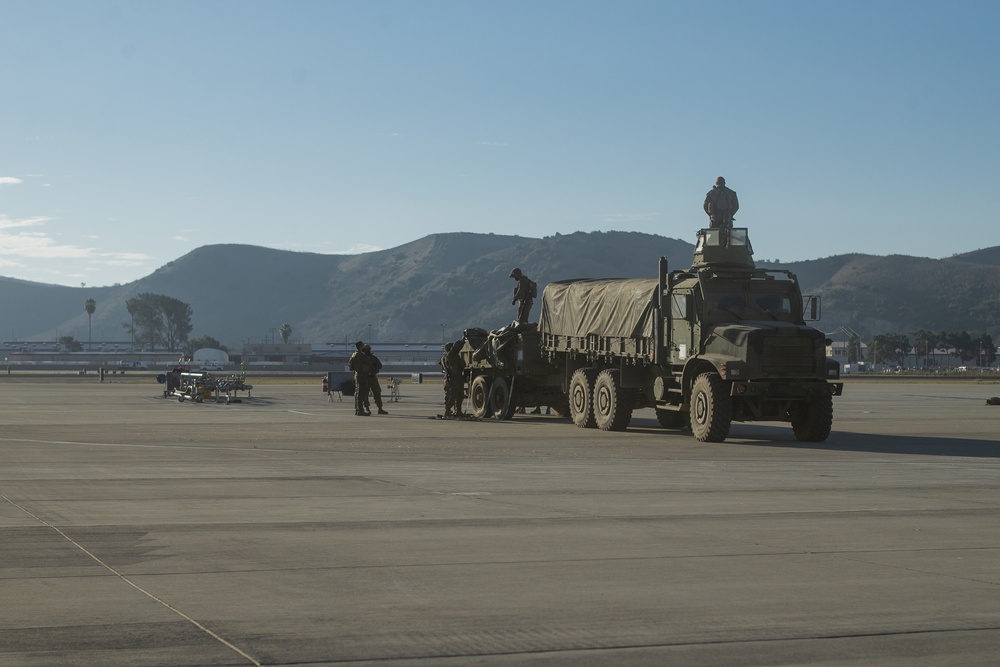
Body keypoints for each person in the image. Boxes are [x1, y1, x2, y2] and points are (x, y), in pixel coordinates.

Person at [439, 341, 464, 417]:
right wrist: (462, 341)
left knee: (459, 395)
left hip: (452, 378)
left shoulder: (445, 357)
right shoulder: (450, 356)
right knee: (453, 395)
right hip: (454, 378)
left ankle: (457, 410)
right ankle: (448, 410)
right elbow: (456, 348)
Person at [363, 344, 388, 414]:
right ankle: (367, 408)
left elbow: (380, 366)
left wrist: (374, 367)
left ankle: (380, 408)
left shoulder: (373, 358)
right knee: (365, 394)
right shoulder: (362, 358)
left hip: (372, 377)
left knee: (377, 392)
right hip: (365, 377)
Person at [348, 341, 371, 416]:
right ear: (360, 347)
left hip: (356, 374)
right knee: (361, 392)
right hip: (361, 375)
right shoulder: (360, 355)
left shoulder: (354, 354)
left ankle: (357, 409)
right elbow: (368, 361)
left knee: (357, 392)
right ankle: (360, 410)